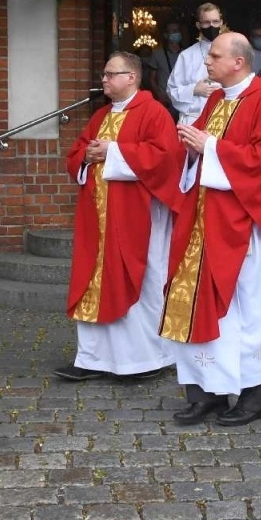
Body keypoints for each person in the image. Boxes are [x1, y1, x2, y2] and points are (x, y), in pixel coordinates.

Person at [159, 32, 261, 428]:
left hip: (248, 228)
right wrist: (192, 148)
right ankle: (205, 393)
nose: (207, 62)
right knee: (196, 303)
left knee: (249, 313)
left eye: (215, 56)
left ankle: (254, 397)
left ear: (238, 62)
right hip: (204, 225)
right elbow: (201, 154)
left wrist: (208, 146)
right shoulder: (214, 100)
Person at [53, 51, 178, 382]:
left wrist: (114, 151)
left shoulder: (154, 114)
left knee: (144, 281)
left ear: (131, 77)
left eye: (111, 74)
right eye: (104, 74)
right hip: (98, 218)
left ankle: (145, 359)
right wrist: (87, 156)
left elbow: (165, 159)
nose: (104, 80)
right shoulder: (101, 116)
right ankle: (92, 358)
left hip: (138, 217)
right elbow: (77, 153)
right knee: (92, 281)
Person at [166, 3, 226, 122]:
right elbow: (171, 90)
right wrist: (194, 89)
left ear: (221, 23)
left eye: (215, 21)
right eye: (206, 22)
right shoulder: (187, 55)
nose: (211, 26)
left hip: (223, 117)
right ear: (198, 25)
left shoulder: (232, 52)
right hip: (194, 119)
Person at [143, 22, 184, 110]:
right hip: (165, 101)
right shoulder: (157, 54)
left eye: (177, 30)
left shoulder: (186, 53)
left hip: (183, 99)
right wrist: (159, 95)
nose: (176, 33)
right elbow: (152, 78)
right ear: (166, 35)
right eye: (173, 31)